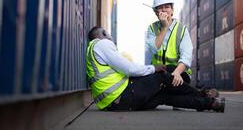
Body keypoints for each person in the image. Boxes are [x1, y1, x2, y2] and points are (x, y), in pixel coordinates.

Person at [86, 26, 225, 112]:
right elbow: (128, 68)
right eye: (108, 34)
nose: (110, 36)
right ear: (103, 34)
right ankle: (204, 95)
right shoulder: (102, 44)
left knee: (165, 96)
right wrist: (154, 68)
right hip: (122, 96)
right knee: (163, 77)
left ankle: (210, 104)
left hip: (115, 105)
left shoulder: (91, 51)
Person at [145, 0, 193, 86]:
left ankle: (203, 97)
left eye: (167, 7)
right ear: (156, 12)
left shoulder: (181, 29)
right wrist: (164, 27)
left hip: (178, 72)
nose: (163, 10)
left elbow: (186, 56)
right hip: (158, 73)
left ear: (172, 10)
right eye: (160, 7)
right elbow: (153, 49)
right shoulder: (152, 28)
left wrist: (177, 72)